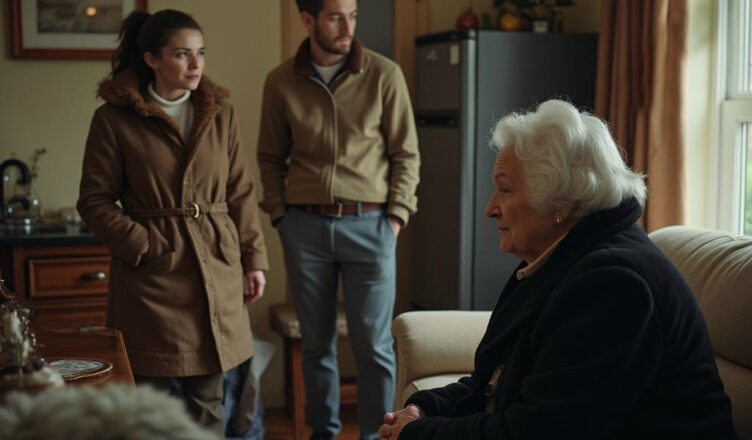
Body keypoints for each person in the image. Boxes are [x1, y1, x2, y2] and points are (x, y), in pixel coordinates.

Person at [378, 100, 736, 439]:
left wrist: (417, 434)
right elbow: (495, 381)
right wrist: (425, 409)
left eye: (505, 190)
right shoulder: (560, 261)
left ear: (561, 202)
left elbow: (538, 432)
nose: (490, 208)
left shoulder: (614, 285)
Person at [77, 9, 268, 436]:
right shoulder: (114, 119)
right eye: (182, 54)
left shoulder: (220, 114)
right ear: (152, 59)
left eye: (200, 53)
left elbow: (239, 191)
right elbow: (93, 200)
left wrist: (254, 259)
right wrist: (141, 242)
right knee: (150, 407)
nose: (196, 64)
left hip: (216, 269)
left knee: (209, 402)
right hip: (151, 280)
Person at [256, 0, 420, 438]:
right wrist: (281, 217)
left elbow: (406, 154)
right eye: (335, 16)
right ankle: (323, 433)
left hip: (371, 225)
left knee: (375, 347)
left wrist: (395, 218)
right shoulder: (280, 82)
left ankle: (374, 435)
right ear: (308, 20)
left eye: (352, 15)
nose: (347, 26)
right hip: (304, 228)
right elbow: (269, 157)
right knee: (316, 345)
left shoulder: (384, 74)